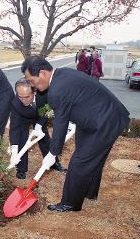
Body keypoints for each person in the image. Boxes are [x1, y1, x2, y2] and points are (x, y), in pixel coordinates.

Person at [21, 55, 130, 212]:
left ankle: (70, 203)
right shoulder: (62, 74)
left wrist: (52, 153)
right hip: (93, 119)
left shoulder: (57, 89)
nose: (32, 85)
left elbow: (60, 123)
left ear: (43, 73)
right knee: (91, 158)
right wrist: (40, 125)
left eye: (32, 81)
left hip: (105, 122)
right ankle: (89, 192)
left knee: (79, 162)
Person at [9, 77, 67, 179]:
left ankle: (53, 163)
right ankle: (21, 169)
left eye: (26, 97)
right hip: (24, 117)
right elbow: (14, 127)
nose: (23, 100)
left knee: (45, 139)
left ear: (34, 92)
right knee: (22, 139)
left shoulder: (44, 93)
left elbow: (48, 107)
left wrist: (40, 124)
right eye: (20, 97)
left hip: (40, 114)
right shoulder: (15, 103)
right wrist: (14, 150)